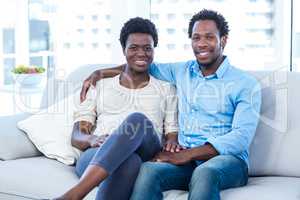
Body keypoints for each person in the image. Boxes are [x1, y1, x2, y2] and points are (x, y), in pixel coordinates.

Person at [80, 9, 262, 200]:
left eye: (209, 37)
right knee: (148, 171)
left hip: (227, 162)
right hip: (184, 161)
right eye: (196, 37)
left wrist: (189, 154)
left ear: (223, 40)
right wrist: (99, 73)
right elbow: (141, 63)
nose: (201, 43)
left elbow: (241, 137)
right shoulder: (182, 71)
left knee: (205, 173)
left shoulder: (246, 84)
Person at [55, 17, 180, 200]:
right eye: (133, 48)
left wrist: (173, 144)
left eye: (147, 48)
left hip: (146, 148)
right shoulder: (100, 86)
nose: (141, 53)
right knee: (128, 162)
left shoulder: (166, 89)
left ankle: (72, 196)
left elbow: (171, 135)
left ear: (154, 50)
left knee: (137, 120)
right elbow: (77, 135)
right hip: (97, 154)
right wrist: (92, 139)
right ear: (123, 50)